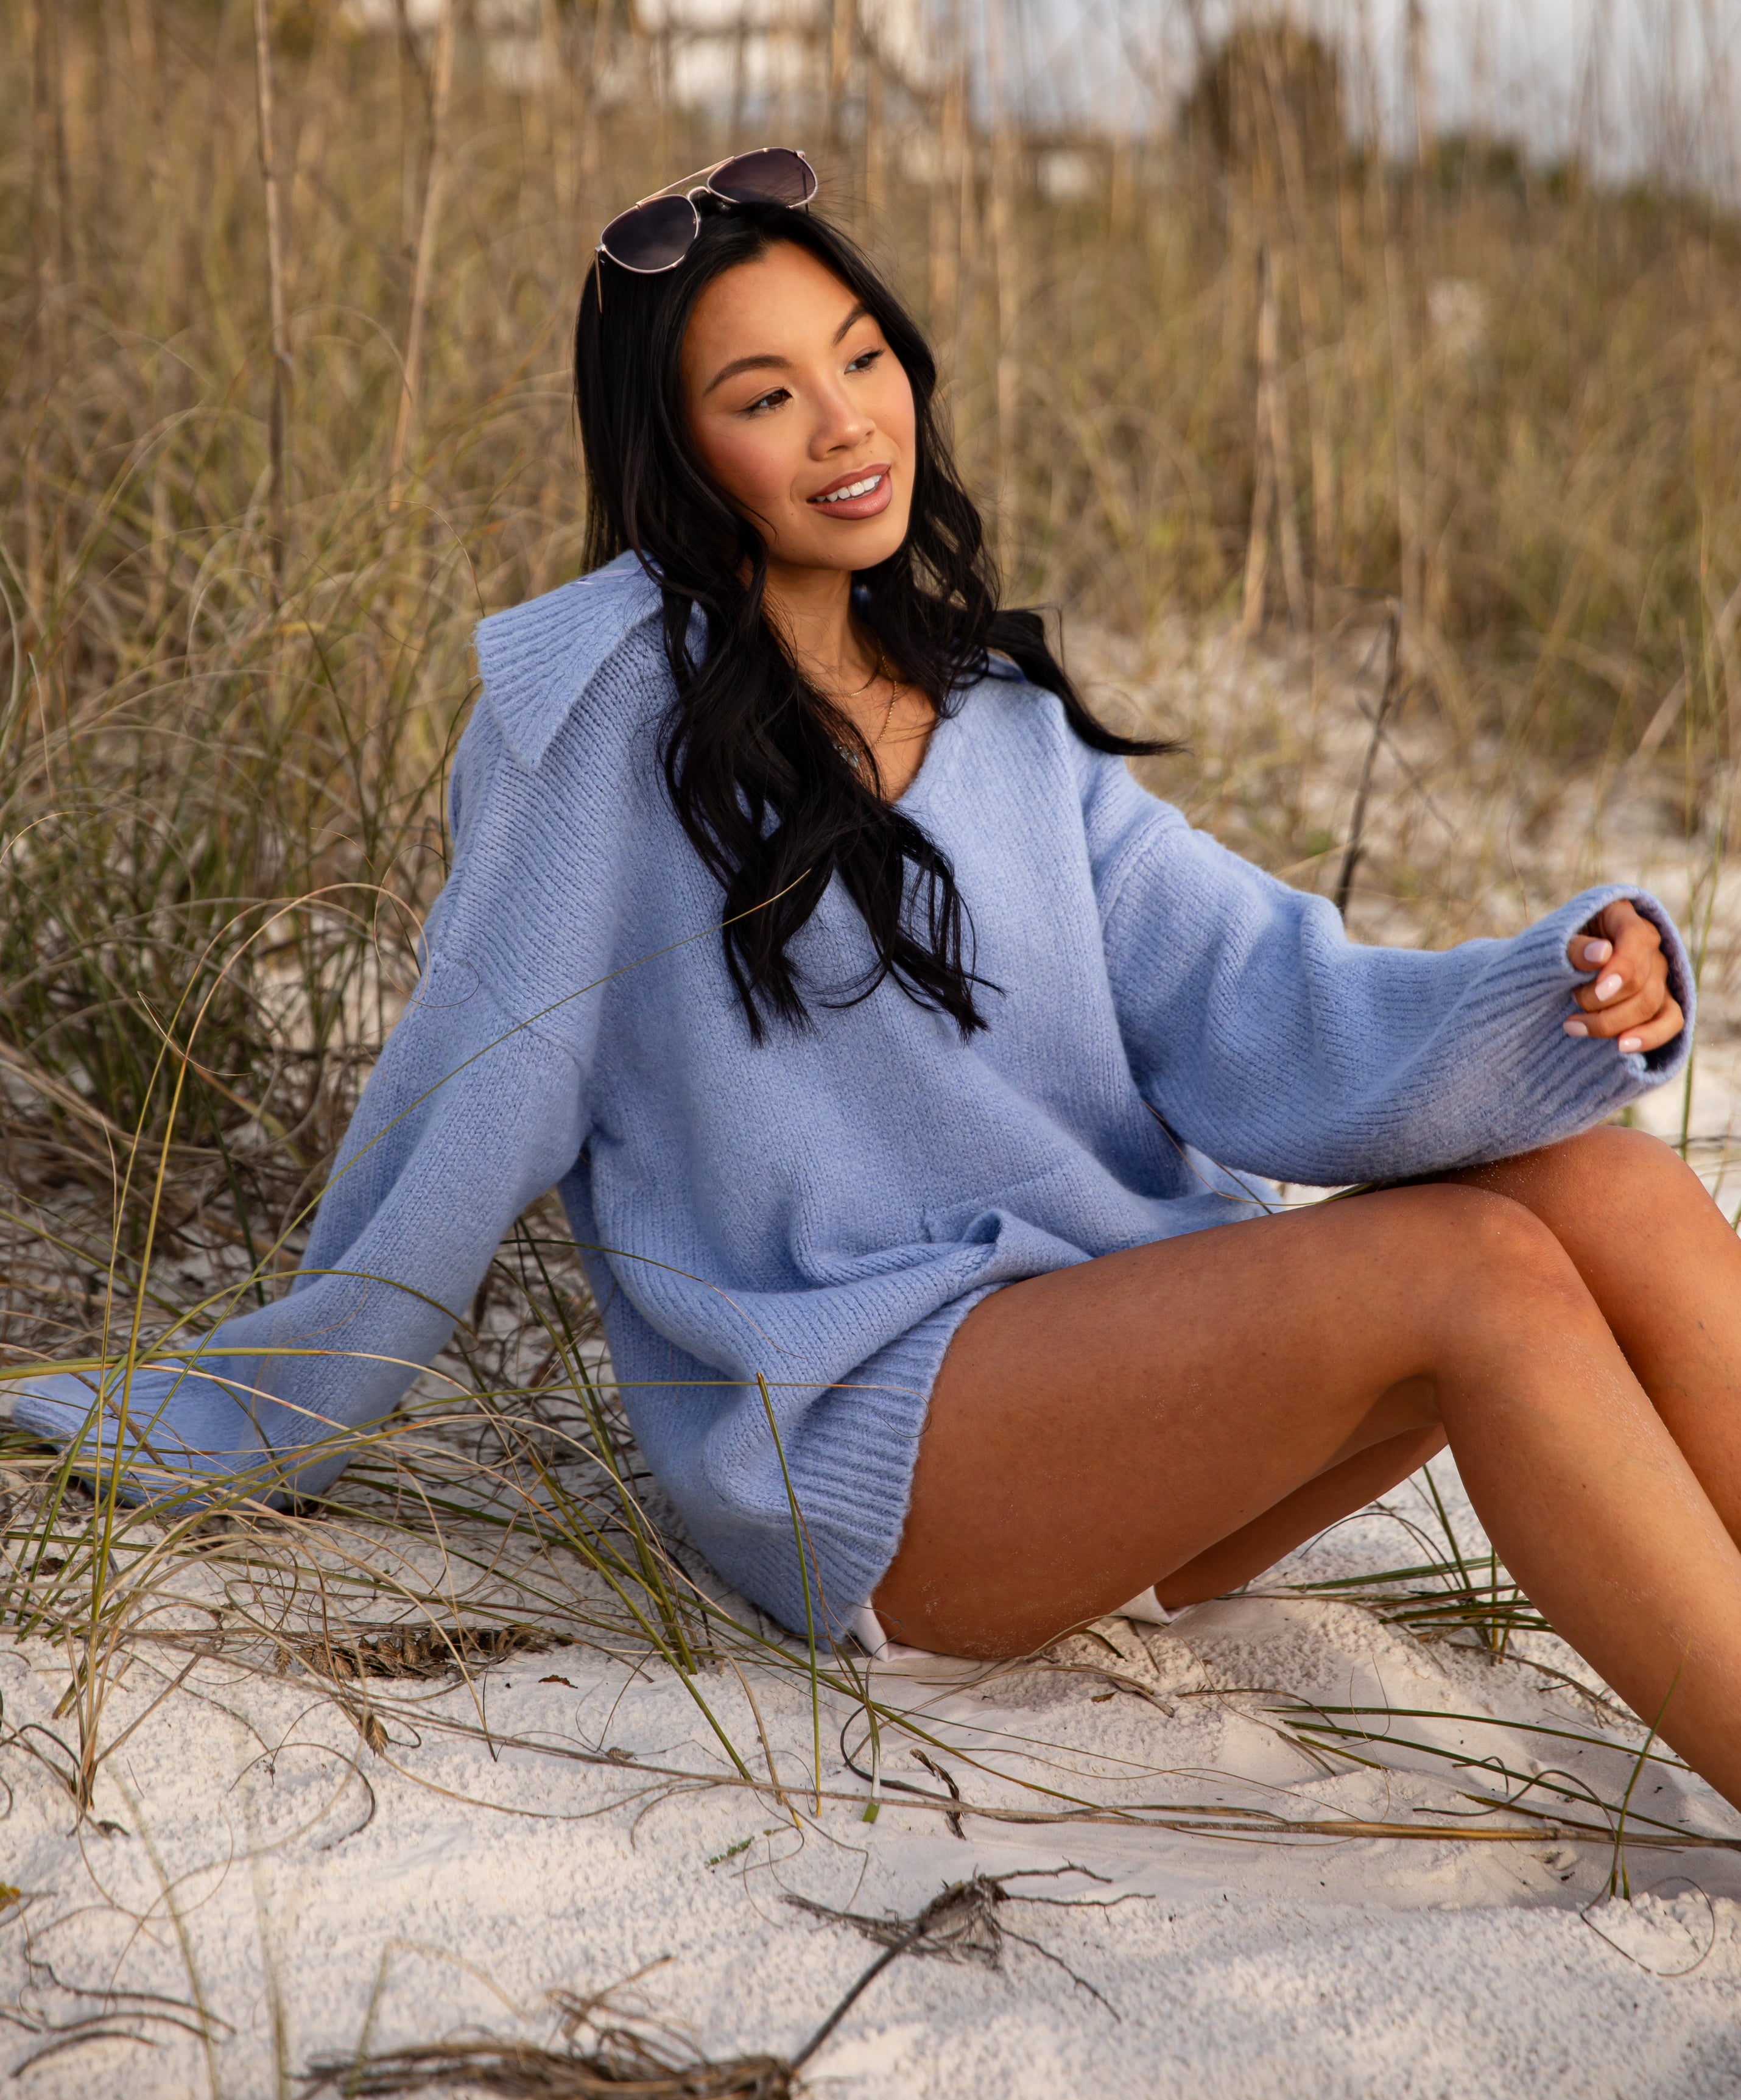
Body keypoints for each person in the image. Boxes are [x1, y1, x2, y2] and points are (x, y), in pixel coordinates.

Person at [20, 155, 1741, 1814]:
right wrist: (264, 1397)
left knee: (1594, 1176)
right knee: (1478, 1272)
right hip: (872, 1449)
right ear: (674, 448)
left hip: (1128, 1400)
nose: (845, 423)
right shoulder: (604, 720)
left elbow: (1256, 995)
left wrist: (1566, 983)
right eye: (762, 395)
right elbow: (471, 1090)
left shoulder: (993, 707)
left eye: (859, 359)